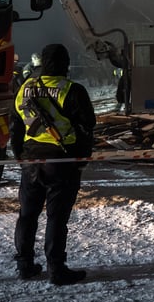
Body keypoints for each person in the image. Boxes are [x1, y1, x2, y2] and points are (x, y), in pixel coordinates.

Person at [10, 43, 95, 286]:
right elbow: (88, 124)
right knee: (56, 218)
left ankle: (25, 265)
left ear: (42, 64)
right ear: (66, 65)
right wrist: (81, 158)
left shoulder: (25, 88)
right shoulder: (72, 90)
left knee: (27, 215)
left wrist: (20, 156)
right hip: (62, 161)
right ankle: (56, 269)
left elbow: (15, 125)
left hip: (31, 161)